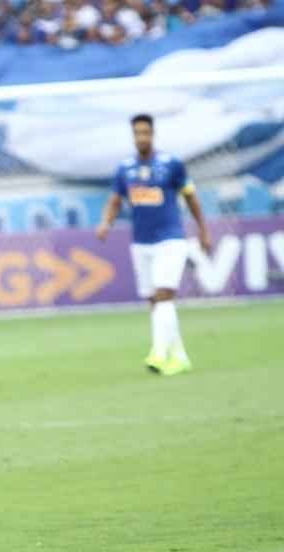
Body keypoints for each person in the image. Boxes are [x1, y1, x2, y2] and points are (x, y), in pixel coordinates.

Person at [96, 113, 211, 376]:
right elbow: (115, 199)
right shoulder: (125, 169)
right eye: (137, 133)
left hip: (170, 239)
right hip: (141, 242)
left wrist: (203, 230)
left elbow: (191, 198)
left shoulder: (171, 165)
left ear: (153, 134)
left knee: (163, 295)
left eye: (146, 132)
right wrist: (106, 223)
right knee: (154, 302)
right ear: (133, 136)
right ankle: (179, 356)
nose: (142, 137)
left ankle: (158, 353)